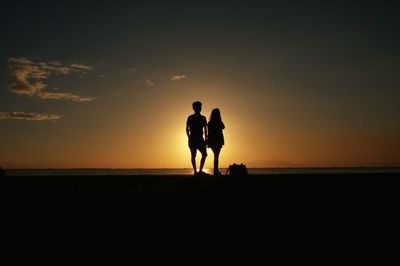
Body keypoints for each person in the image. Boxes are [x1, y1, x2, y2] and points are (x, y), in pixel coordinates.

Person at [186, 101, 208, 176]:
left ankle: (199, 171)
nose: (199, 108)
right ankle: (196, 171)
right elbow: (187, 128)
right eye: (198, 107)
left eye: (200, 107)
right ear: (194, 108)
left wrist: (206, 138)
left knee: (204, 154)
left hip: (199, 139)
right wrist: (189, 137)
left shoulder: (203, 118)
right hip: (194, 139)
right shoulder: (190, 117)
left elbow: (205, 129)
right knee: (193, 155)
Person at [207, 108, 225, 176]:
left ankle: (216, 171)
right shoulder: (219, 122)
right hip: (218, 140)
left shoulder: (210, 123)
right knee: (216, 156)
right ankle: (215, 171)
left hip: (212, 141)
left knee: (216, 156)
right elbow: (223, 127)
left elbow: (209, 132)